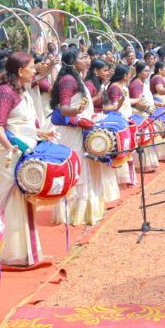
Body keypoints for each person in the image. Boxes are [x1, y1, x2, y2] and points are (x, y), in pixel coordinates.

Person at [0, 52, 58, 268]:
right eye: (32, 67)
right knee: (12, 202)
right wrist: (10, 147)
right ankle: (11, 254)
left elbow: (23, 124)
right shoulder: (4, 93)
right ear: (20, 71)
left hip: (25, 151)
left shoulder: (22, 90)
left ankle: (29, 253)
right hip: (9, 154)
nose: (35, 70)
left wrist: (41, 133)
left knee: (26, 200)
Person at [52, 50, 106, 225]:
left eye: (87, 57)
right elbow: (63, 109)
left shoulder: (77, 78)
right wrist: (77, 115)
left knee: (86, 167)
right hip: (71, 132)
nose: (87, 59)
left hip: (81, 128)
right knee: (78, 169)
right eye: (82, 57)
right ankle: (72, 213)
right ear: (71, 61)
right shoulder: (68, 80)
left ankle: (86, 211)